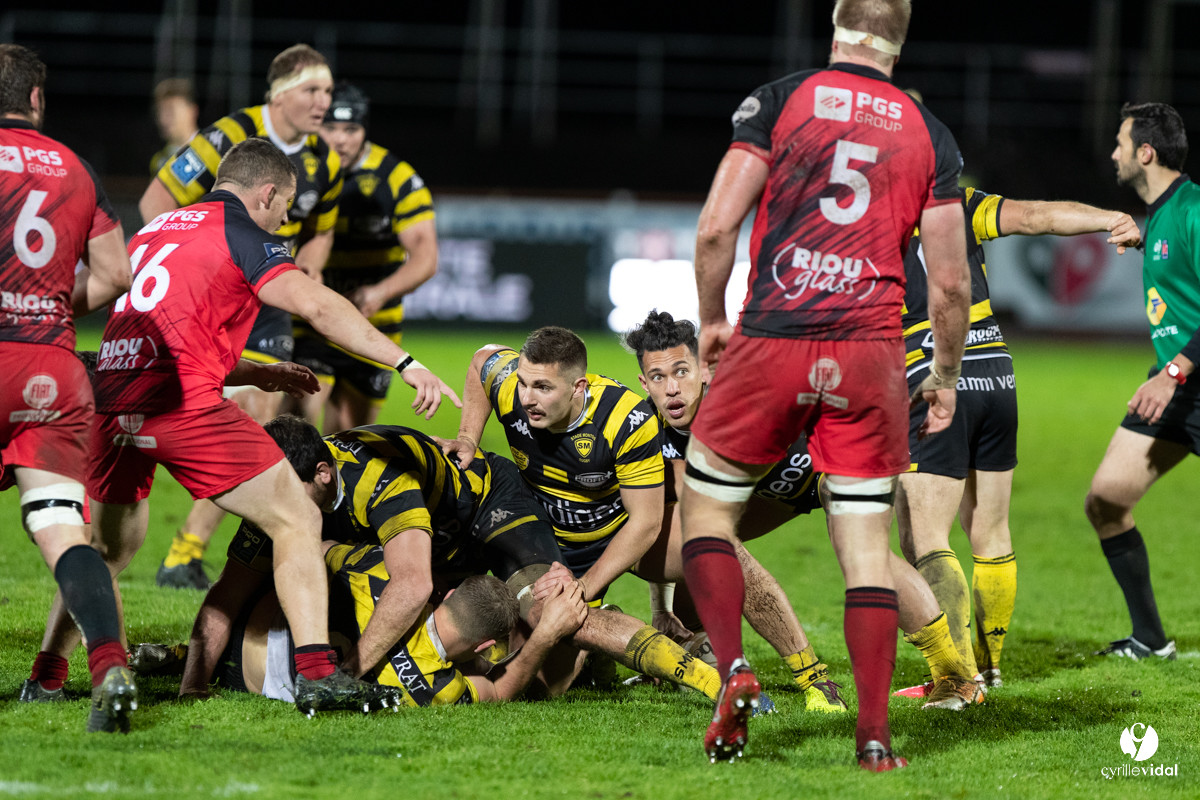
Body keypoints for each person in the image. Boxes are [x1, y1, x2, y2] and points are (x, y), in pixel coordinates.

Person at [30, 138, 458, 718]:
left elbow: (172, 326)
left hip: (112, 398)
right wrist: (405, 362)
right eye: (287, 207)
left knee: (103, 550)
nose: (287, 220)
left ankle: (47, 679)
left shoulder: (158, 230)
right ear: (268, 192)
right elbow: (320, 308)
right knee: (298, 516)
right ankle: (317, 675)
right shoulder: (246, 235)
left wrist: (257, 370)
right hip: (177, 401)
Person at [678, 0, 971, 770]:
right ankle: (873, 738)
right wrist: (941, 373)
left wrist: (712, 320)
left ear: (836, 25)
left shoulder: (782, 99)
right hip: (871, 352)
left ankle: (734, 669)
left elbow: (715, 228)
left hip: (776, 334)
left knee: (705, 505)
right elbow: (948, 285)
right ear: (899, 45)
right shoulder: (928, 132)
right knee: (866, 550)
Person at [187, 415, 725, 702]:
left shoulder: (378, 482)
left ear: (324, 476)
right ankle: (589, 666)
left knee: (545, 609)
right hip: (430, 537)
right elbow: (227, 595)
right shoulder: (281, 492)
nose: (277, 507)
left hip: (487, 506)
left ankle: (701, 677)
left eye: (289, 495)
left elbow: (413, 584)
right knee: (277, 585)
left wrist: (348, 675)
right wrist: (194, 686)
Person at [625, 309, 981, 713]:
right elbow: (663, 515)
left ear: (704, 370)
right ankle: (691, 640)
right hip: (773, 487)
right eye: (658, 378)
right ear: (644, 383)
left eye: (682, 372)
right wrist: (660, 609)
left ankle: (955, 676)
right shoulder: (645, 430)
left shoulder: (738, 392)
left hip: (828, 452)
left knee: (860, 547)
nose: (672, 388)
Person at [895, 188, 1142, 689]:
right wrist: (1111, 216)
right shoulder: (957, 200)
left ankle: (956, 679)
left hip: (932, 367)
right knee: (991, 530)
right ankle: (989, 669)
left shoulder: (869, 212)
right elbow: (1037, 216)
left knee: (924, 537)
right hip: (995, 366)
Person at [139, 44, 343, 590]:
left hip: (268, 299)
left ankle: (187, 551)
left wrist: (312, 267)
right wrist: (194, 264)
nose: (324, 101)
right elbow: (154, 201)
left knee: (257, 416)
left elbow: (321, 225)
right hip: (213, 294)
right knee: (208, 413)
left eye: (327, 91)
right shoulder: (228, 137)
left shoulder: (325, 159)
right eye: (312, 90)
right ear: (279, 95)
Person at [0, 44, 137, 733]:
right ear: (35, 101)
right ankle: (108, 666)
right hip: (50, 370)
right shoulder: (75, 170)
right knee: (61, 530)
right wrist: (49, 302)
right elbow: (115, 275)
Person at [161, 543, 588, 707]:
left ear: (450, 595)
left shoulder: (381, 571)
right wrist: (547, 634)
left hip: (250, 617)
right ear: (482, 647)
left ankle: (182, 656)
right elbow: (499, 689)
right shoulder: (436, 688)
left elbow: (313, 548)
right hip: (252, 680)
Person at [1085, 101, 1200, 662]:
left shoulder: (1196, 209)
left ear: (1145, 153)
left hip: (1184, 380)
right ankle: (1151, 639)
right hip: (1175, 385)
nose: (1114, 153)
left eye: (1120, 142)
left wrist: (1174, 372)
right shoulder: (1163, 216)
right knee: (1106, 501)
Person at [295, 82, 439, 432]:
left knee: (347, 435)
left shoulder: (397, 178)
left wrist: (380, 292)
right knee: (297, 423)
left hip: (376, 323)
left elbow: (425, 256)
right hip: (313, 318)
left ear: (364, 130)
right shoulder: (299, 170)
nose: (340, 140)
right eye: (330, 128)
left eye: (351, 129)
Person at [148, 78, 199, 176]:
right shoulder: (159, 161)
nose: (162, 119)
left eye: (170, 111)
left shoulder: (214, 152)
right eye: (159, 112)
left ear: (192, 111)